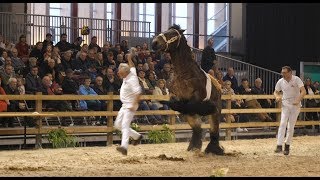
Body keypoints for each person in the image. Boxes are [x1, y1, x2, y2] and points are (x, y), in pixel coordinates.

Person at [114, 53, 143, 156]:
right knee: (117, 125)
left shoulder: (132, 80)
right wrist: (130, 59)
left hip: (130, 105)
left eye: (120, 72)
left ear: (125, 72)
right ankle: (137, 136)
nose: (118, 73)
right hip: (124, 105)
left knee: (125, 125)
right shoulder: (130, 73)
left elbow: (138, 93)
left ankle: (124, 147)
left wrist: (133, 105)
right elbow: (132, 67)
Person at [274, 66, 306, 155]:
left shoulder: (297, 79)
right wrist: (277, 96)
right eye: (282, 72)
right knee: (282, 123)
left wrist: (298, 100)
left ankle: (287, 145)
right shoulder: (280, 81)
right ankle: (279, 145)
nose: (283, 74)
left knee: (290, 126)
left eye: (284, 72)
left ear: (290, 72)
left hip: (295, 106)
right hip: (285, 105)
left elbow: (303, 91)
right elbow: (276, 91)